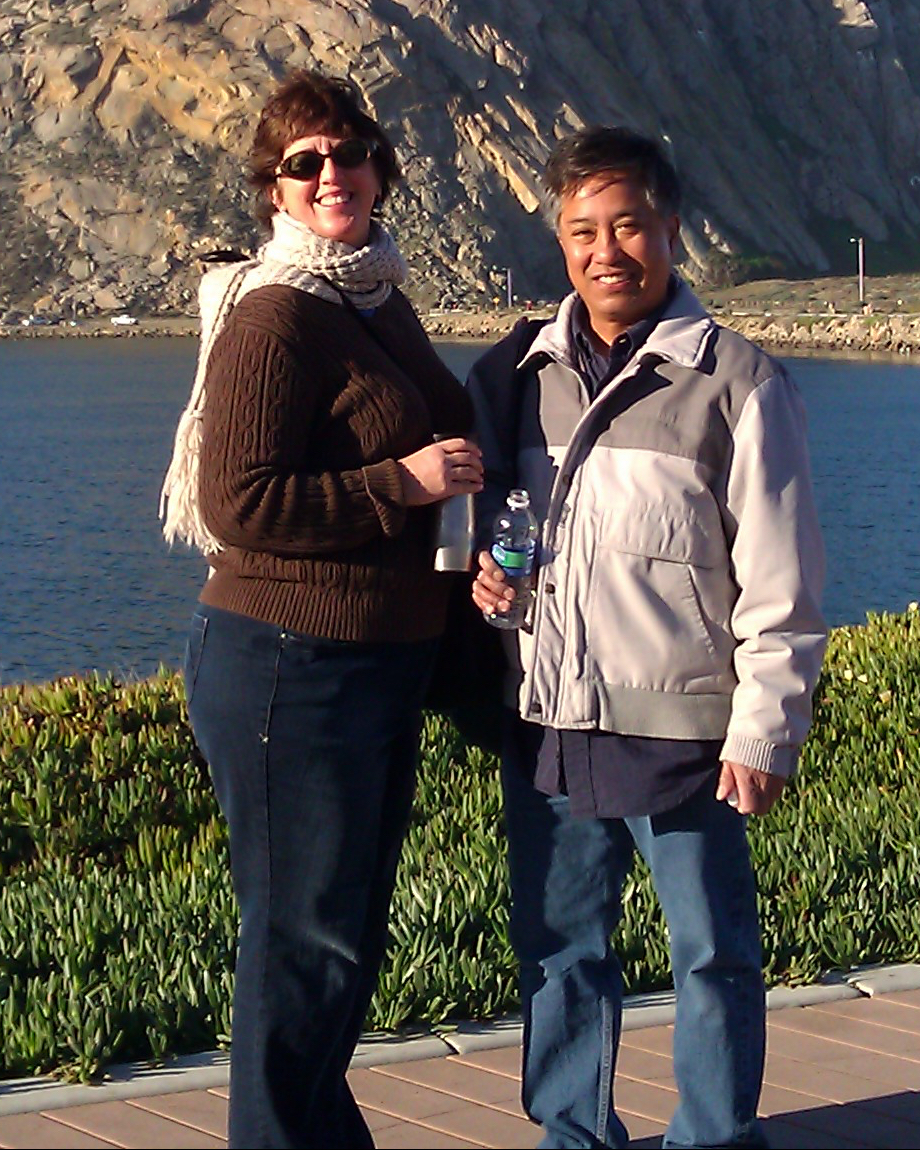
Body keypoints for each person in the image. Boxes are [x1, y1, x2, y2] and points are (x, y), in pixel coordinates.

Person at [469, 126, 827, 1149]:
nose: (605, 250)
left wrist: (764, 732)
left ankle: (714, 1138)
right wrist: (491, 585)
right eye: (582, 230)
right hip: (549, 722)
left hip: (682, 736)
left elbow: (782, 579)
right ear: (559, 239)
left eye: (627, 224)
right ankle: (571, 1135)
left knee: (710, 950)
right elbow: (507, 539)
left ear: (671, 229)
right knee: (558, 950)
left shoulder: (737, 382)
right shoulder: (517, 375)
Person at [160, 69, 482, 1149]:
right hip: (292, 662)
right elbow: (236, 501)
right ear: (275, 191)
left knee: (336, 939)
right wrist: (405, 480)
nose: (331, 173)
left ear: (381, 168)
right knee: (303, 940)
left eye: (348, 152)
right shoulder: (277, 313)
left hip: (374, 661)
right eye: (305, 161)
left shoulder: (374, 295)